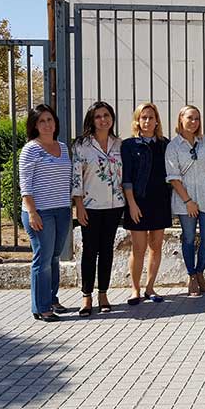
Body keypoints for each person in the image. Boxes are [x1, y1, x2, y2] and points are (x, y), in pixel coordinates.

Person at [166, 105, 205, 297]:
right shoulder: (173, 146)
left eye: (197, 119)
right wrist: (188, 201)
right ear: (181, 119)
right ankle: (191, 276)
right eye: (190, 118)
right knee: (189, 238)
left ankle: (200, 272)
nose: (194, 122)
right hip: (187, 198)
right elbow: (173, 177)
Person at [19, 104, 72, 322]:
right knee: (42, 258)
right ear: (35, 125)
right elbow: (26, 185)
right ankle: (41, 307)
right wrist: (32, 212)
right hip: (40, 211)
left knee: (54, 257)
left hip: (62, 210)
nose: (47, 124)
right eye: (42, 121)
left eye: (49, 120)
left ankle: (51, 298)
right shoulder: (31, 149)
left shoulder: (63, 147)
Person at [71, 101, 124, 316]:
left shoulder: (119, 144)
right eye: (98, 116)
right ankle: (87, 295)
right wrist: (79, 205)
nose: (103, 120)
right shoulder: (82, 145)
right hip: (90, 206)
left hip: (114, 205)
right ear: (92, 120)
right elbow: (76, 177)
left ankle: (103, 293)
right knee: (90, 250)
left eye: (107, 115)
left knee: (107, 251)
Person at [121, 103, 172, 305]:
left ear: (157, 120)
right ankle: (135, 289)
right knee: (138, 248)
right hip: (138, 202)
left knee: (156, 247)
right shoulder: (129, 145)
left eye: (151, 117)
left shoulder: (164, 144)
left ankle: (150, 288)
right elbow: (126, 178)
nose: (147, 121)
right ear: (137, 121)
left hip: (159, 201)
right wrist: (132, 204)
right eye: (143, 118)